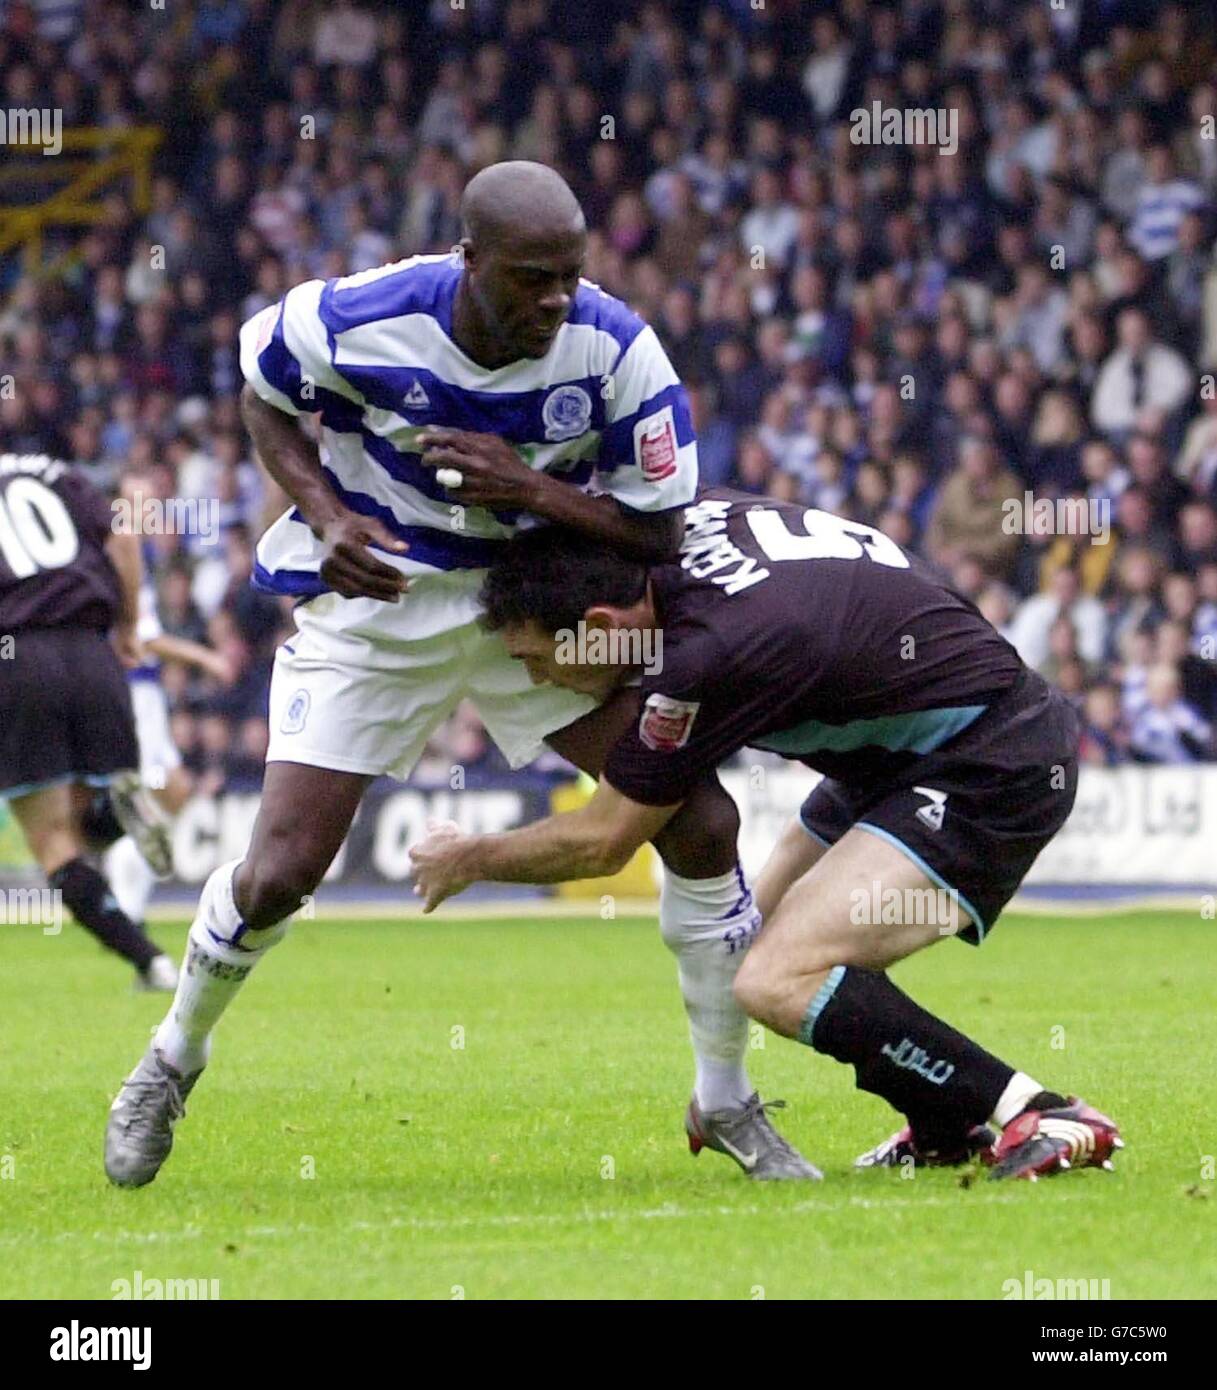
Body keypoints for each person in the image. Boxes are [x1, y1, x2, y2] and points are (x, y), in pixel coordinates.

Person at [103, 163, 815, 1189]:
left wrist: (522, 485)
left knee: (698, 821)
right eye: (530, 279)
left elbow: (660, 525)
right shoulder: (360, 315)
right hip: (378, 604)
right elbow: (262, 396)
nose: (554, 300)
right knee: (278, 873)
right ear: (467, 260)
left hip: (528, 611)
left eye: (568, 276)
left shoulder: (613, 347)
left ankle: (724, 1096)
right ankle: (173, 1057)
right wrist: (328, 512)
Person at [410, 490, 1124, 1181]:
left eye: (537, 661)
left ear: (597, 627)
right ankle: (941, 1124)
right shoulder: (681, 525)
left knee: (779, 979)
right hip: (895, 749)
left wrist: (469, 857)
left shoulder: (706, 652)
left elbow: (604, 839)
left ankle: (1040, 1112)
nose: (539, 679)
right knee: (755, 951)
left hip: (989, 761)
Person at [0, 452, 177, 990]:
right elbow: (123, 538)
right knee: (89, 811)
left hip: (17, 654)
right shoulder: (50, 471)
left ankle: (150, 960)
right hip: (91, 650)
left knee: (54, 841)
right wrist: (127, 625)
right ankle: (117, 808)